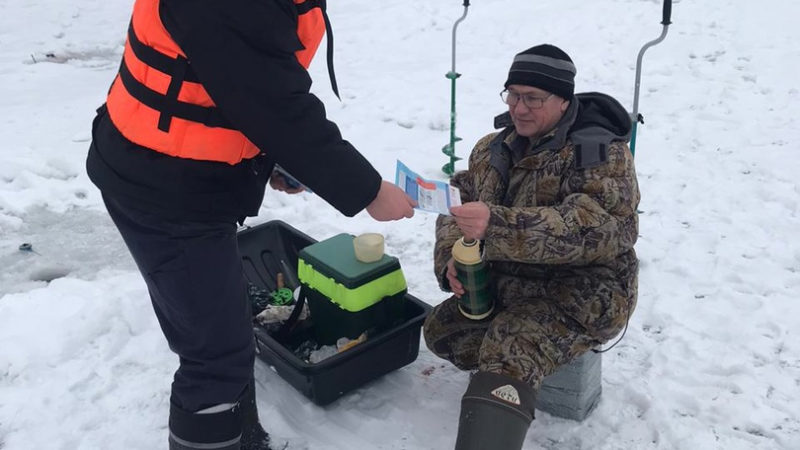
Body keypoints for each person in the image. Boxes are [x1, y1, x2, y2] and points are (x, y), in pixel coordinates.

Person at [85, 1, 415, 449]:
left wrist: (267, 159)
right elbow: (275, 104)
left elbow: (235, 79)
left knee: (225, 329)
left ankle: (239, 437)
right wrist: (369, 191)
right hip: (165, 189)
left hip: (183, 178)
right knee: (215, 356)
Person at [423, 44, 640, 449]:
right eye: (513, 95)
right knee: (441, 331)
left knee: (512, 342)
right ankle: (515, 377)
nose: (520, 108)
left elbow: (594, 230)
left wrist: (497, 224)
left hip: (585, 289)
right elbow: (457, 203)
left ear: (563, 100)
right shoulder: (492, 148)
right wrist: (452, 258)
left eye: (533, 99)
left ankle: (507, 388)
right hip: (510, 279)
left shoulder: (599, 153)